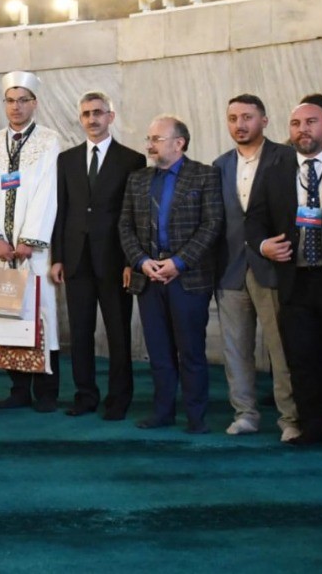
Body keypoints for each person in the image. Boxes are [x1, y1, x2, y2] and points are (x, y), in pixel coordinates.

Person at [246, 97, 322, 450]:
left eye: (311, 122)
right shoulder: (274, 172)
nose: (304, 130)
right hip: (295, 280)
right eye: (297, 124)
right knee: (301, 361)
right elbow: (254, 219)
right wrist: (263, 246)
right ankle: (312, 429)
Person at [120, 114, 223, 434]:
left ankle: (196, 416)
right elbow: (124, 226)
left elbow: (212, 225)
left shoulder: (205, 175)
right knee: (159, 351)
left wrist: (178, 262)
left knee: (191, 350)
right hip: (148, 277)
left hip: (187, 278)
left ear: (179, 143)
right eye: (149, 139)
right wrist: (141, 262)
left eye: (156, 139)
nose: (149, 145)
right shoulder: (137, 179)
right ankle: (162, 411)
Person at [49, 91, 144, 421]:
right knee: (80, 331)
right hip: (76, 260)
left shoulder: (131, 160)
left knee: (118, 333)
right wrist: (57, 258)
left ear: (111, 117)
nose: (92, 119)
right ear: (81, 118)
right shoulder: (67, 159)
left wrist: (133, 261)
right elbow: (61, 211)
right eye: (87, 113)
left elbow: (134, 214)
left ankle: (119, 400)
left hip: (116, 261)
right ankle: (85, 395)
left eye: (99, 113)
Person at [0, 70, 63, 411]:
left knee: (41, 315)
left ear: (34, 104)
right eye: (10, 101)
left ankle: (45, 391)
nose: (15, 107)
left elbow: (48, 192)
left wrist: (30, 240)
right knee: (8, 313)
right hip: (0, 250)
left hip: (33, 251)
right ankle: (17, 388)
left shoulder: (48, 140)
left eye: (22, 101)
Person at [212, 94, 298, 439]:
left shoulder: (288, 158)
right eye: (233, 118)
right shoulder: (219, 165)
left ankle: (291, 419)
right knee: (235, 349)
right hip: (230, 270)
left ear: (264, 120)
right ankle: (245, 413)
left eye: (247, 117)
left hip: (274, 267)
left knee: (281, 348)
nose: (239, 124)